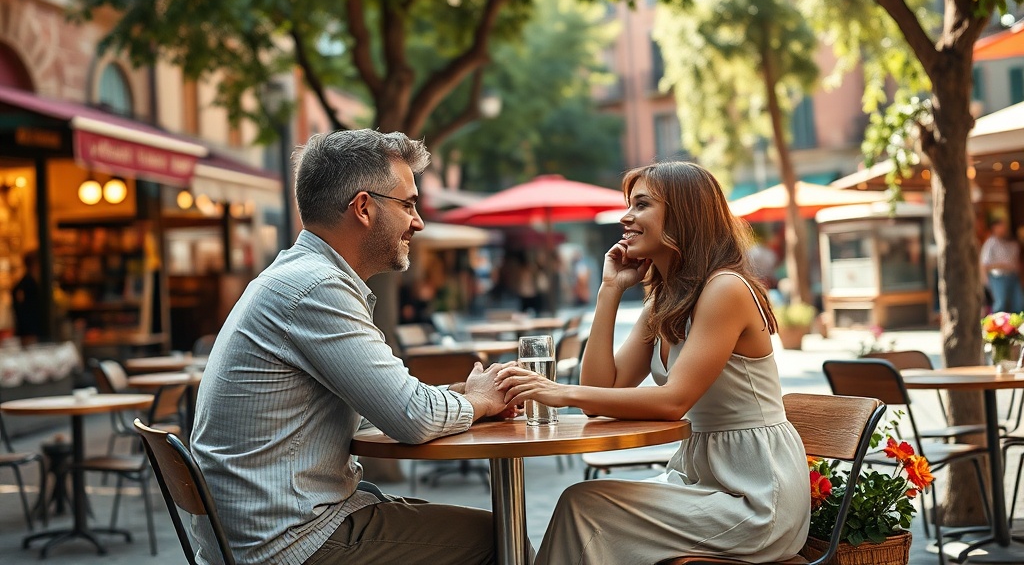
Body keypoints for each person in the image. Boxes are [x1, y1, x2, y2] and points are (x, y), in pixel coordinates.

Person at [190, 130, 513, 565]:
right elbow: (412, 417)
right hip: (289, 543)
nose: (418, 222)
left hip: (264, 531)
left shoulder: (297, 276)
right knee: (501, 542)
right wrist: (479, 401)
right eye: (409, 204)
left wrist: (464, 398)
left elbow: (392, 401)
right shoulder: (316, 288)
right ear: (363, 207)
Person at [498, 161, 810, 564]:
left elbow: (672, 401)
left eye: (641, 205)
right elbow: (600, 395)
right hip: (703, 481)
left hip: (756, 497)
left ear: (682, 216)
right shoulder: (665, 302)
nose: (626, 217)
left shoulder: (725, 289)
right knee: (586, 508)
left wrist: (558, 392)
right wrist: (609, 290)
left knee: (586, 507)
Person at [980, 218, 1024, 314]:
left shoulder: (1012, 242)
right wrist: (986, 282)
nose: (1003, 229)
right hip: (998, 277)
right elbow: (984, 264)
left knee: (1019, 303)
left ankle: (1016, 326)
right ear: (994, 228)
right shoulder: (990, 243)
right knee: (1001, 304)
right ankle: (998, 327)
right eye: (1000, 226)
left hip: (1013, 276)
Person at [12, 250, 42, 343]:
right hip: (30, 333)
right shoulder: (27, 284)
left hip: (31, 331)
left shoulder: (29, 282)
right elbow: (24, 311)